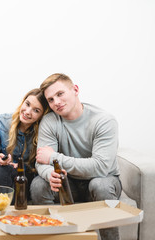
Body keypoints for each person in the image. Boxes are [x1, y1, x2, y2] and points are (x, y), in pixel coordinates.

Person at [30, 73, 122, 240]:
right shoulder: (50, 121)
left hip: (102, 180)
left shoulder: (103, 120)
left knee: (100, 185)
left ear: (75, 90)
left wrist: (54, 158)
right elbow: (42, 160)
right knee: (38, 184)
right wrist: (48, 173)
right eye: (50, 100)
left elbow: (100, 167)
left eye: (60, 94)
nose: (56, 102)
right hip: (68, 183)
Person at [0, 89, 49, 196]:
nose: (28, 112)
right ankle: (3, 209)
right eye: (27, 104)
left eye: (36, 110)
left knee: (16, 176)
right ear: (23, 102)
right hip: (0, 176)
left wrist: (20, 167)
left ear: (42, 115)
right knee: (1, 170)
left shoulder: (44, 131)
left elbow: (40, 167)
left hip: (25, 180)